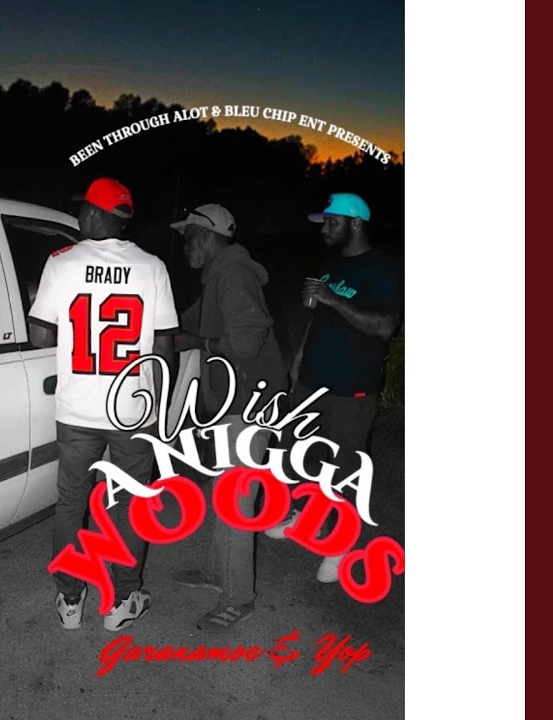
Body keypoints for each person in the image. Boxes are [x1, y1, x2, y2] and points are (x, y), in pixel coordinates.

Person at [27, 178, 179, 631]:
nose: (79, 216)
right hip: (132, 410)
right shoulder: (152, 266)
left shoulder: (61, 262)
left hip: (77, 410)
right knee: (129, 505)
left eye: (82, 209)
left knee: (71, 503)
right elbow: (165, 345)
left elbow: (39, 335)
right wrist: (160, 409)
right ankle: (124, 600)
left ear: (95, 214)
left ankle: (70, 601)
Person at [263, 192, 403, 582]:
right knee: (296, 453)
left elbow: (384, 326)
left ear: (355, 223)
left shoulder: (384, 268)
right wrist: (299, 358)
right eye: (324, 222)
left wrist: (333, 299)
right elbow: (317, 319)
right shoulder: (331, 265)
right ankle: (301, 515)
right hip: (311, 380)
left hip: (350, 387)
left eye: (331, 222)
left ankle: (339, 546)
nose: (324, 228)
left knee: (343, 467)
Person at [167, 204, 286, 632]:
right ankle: (217, 572)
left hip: (249, 404)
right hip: (231, 402)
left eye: (189, 237)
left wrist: (196, 341)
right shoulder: (217, 275)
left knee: (236, 500)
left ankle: (239, 598)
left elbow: (247, 344)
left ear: (208, 234)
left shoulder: (233, 275)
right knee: (225, 491)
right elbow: (184, 322)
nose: (185, 246)